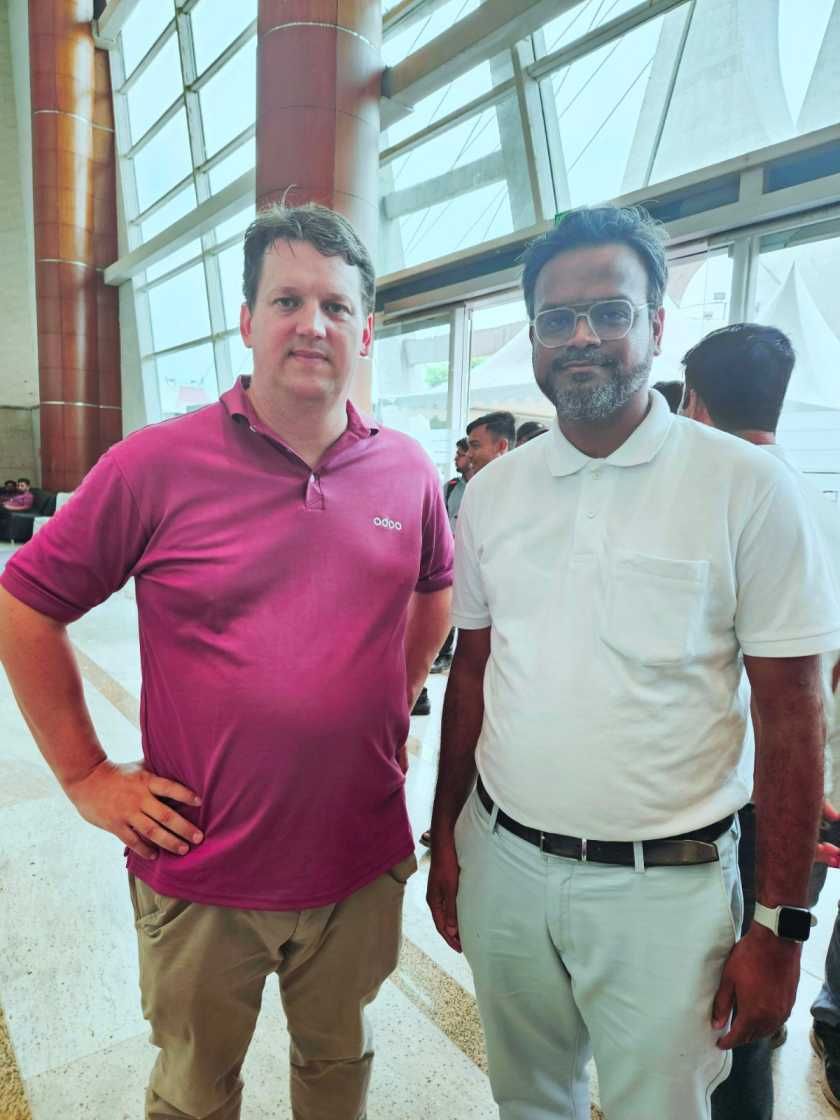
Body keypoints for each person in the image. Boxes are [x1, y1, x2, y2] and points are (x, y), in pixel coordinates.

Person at [0, 203, 453, 1120]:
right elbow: (24, 605)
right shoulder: (154, 465)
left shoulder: (407, 471)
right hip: (203, 866)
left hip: (359, 858)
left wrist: (388, 704)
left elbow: (433, 591)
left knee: (338, 1067)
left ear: (366, 332)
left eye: (335, 305)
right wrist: (87, 776)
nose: (312, 324)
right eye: (287, 300)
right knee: (195, 1090)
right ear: (247, 321)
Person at [425, 204, 840, 1120]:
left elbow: (791, 714)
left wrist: (779, 927)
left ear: (655, 324)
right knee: (528, 1099)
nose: (582, 336)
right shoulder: (493, 493)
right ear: (535, 336)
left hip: (669, 891)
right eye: (556, 318)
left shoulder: (746, 487)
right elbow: (474, 671)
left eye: (610, 312)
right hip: (504, 864)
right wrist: (445, 835)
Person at [679, 322, 840, 1118]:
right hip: (810, 796)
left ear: (694, 405)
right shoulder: (816, 499)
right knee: (761, 998)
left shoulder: (717, 500)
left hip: (739, 803)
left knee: (723, 1010)